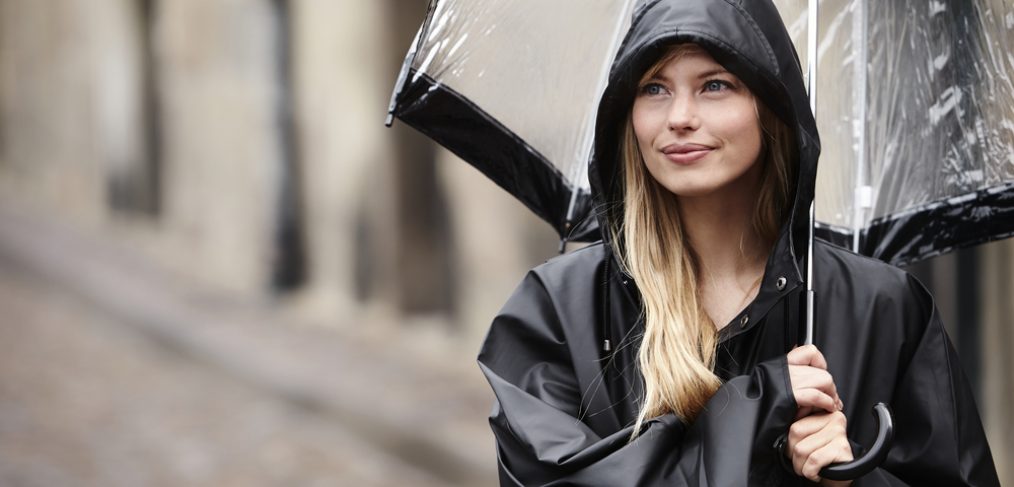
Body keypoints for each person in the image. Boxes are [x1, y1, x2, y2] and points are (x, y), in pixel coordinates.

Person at [477, 0, 1000, 485]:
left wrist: (854, 477)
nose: (679, 117)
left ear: (771, 109)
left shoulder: (884, 307)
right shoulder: (556, 310)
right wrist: (762, 405)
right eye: (654, 88)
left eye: (714, 85)